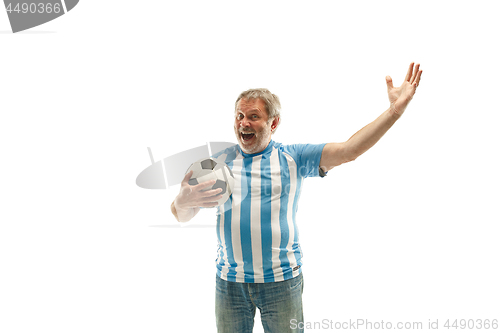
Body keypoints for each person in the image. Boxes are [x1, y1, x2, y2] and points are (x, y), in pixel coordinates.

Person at [171, 63, 423, 333]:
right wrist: (182, 201)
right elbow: (181, 214)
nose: (243, 123)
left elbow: (350, 150)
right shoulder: (217, 164)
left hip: (280, 283)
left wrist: (394, 112)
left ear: (273, 123)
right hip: (229, 283)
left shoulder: (293, 157)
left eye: (253, 116)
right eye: (239, 115)